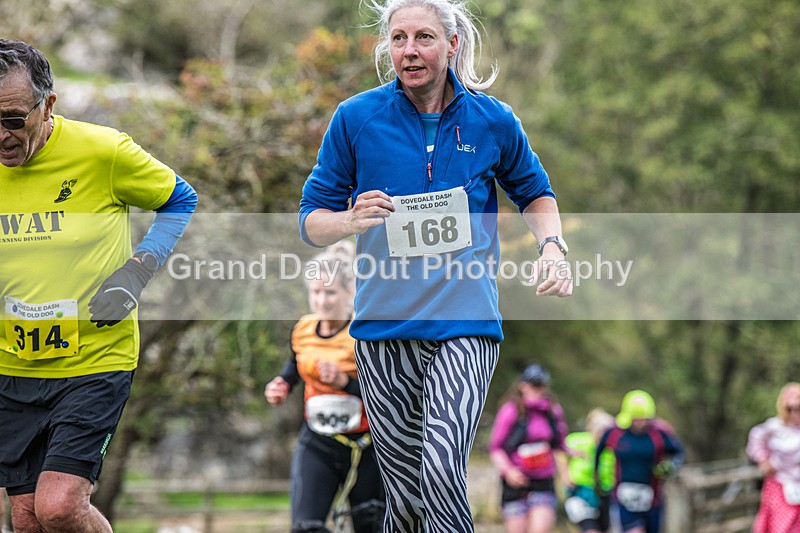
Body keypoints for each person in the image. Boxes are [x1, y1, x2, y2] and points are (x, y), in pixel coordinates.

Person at [298, 0, 573, 529]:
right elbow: (311, 220)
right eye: (398, 39)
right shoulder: (356, 118)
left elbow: (536, 193)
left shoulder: (493, 120)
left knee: (443, 467)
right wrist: (351, 220)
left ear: (451, 45)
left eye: (423, 37)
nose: (409, 50)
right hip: (382, 326)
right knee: (402, 495)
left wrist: (553, 248)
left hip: (464, 321)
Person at [0, 40, 197, 532]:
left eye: (11, 119)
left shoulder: (103, 151)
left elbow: (180, 198)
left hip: (94, 358)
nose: (0, 135)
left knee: (60, 507)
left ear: (48, 106)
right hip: (12, 364)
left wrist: (136, 271)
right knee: (26, 518)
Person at [264, 243, 385, 533]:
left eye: (330, 292)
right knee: (306, 527)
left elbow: (386, 395)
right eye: (315, 292)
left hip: (365, 446)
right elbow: (294, 367)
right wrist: (281, 385)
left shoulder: (364, 333)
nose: (322, 300)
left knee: (371, 526)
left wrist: (345, 382)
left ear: (349, 291)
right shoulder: (303, 329)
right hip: (317, 440)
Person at [488, 364, 572, 533]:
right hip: (516, 483)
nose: (537, 389)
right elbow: (496, 447)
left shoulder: (553, 411)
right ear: (523, 386)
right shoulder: (511, 411)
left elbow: (559, 443)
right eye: (533, 385)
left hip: (543, 482)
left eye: (540, 385)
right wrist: (509, 471)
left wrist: (571, 459)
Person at [595, 390, 684, 533]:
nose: (640, 423)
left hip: (653, 499)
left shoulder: (659, 434)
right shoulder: (615, 433)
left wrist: (671, 466)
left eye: (643, 419)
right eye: (636, 419)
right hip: (623, 498)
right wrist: (598, 478)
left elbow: (678, 452)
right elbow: (598, 452)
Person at [746, 382, 800, 533]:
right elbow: (755, 438)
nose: (795, 412)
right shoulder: (775, 426)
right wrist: (763, 460)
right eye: (791, 408)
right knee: (780, 526)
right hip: (780, 484)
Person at [563, 408, 616, 533]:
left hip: (605, 494)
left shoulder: (612, 447)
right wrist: (565, 475)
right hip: (581, 493)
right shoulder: (577, 441)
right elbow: (559, 452)